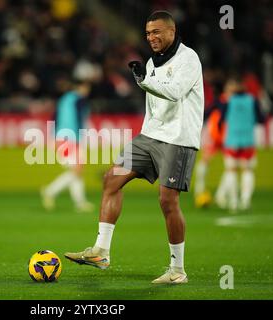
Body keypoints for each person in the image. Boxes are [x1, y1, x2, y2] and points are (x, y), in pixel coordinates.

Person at [64, 11, 204, 284]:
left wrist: (144, 80)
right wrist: (145, 126)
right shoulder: (152, 61)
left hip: (178, 138)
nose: (151, 37)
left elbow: (175, 92)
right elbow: (153, 102)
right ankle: (101, 251)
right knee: (112, 179)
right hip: (150, 135)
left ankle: (178, 270)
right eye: (148, 33)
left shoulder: (189, 59)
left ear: (172, 32)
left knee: (167, 200)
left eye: (157, 32)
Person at [40, 80, 95, 213]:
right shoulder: (79, 101)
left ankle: (80, 203)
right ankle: (50, 191)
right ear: (80, 87)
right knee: (77, 170)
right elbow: (81, 119)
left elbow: (54, 118)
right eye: (86, 88)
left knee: (77, 171)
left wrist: (52, 137)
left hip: (60, 138)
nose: (87, 91)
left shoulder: (63, 100)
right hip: (71, 138)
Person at [214, 76, 265, 212]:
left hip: (231, 140)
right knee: (247, 170)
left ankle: (233, 202)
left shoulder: (228, 101)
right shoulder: (253, 100)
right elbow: (261, 119)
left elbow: (220, 121)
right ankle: (245, 200)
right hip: (248, 140)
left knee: (231, 170)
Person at [193, 79, 237, 208]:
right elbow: (206, 114)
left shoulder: (237, 103)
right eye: (230, 86)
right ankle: (199, 190)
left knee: (231, 167)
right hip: (215, 137)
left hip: (229, 139)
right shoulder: (220, 101)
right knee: (204, 163)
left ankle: (221, 195)